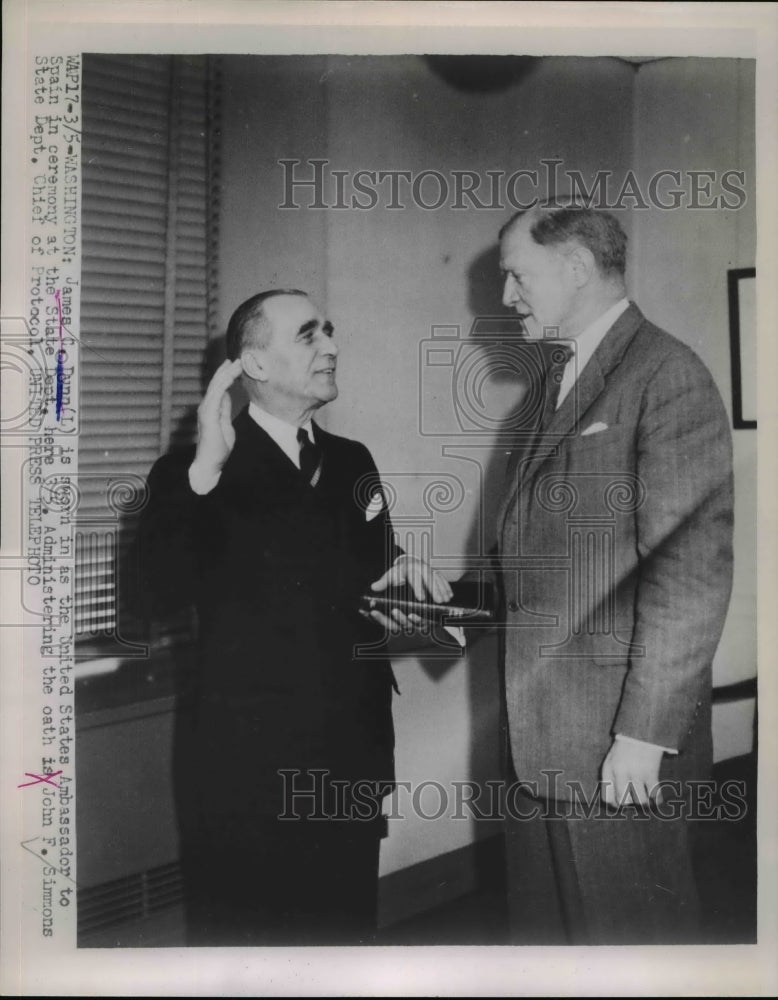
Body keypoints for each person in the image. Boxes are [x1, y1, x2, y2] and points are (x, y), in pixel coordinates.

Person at [140, 289, 451, 946]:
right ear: (252, 362)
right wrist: (205, 470)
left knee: (344, 939)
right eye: (309, 335)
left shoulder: (352, 461)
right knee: (252, 950)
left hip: (352, 752)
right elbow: (150, 594)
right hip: (249, 768)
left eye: (330, 331)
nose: (332, 346)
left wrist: (403, 591)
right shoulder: (192, 471)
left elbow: (363, 587)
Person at [492, 204, 734, 944]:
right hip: (541, 744)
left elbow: (689, 574)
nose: (506, 297)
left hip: (616, 749)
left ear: (574, 268)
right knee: (551, 947)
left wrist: (642, 735)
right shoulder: (550, 388)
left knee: (633, 947)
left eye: (517, 274)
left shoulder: (666, 374)